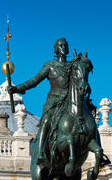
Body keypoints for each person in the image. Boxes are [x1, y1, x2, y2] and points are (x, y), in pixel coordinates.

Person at [8, 38, 71, 166]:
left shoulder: (73, 66)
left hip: (69, 101)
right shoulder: (50, 66)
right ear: (56, 49)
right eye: (60, 45)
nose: (63, 48)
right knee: (46, 121)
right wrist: (17, 89)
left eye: (65, 45)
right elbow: (34, 81)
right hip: (54, 101)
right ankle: (41, 151)